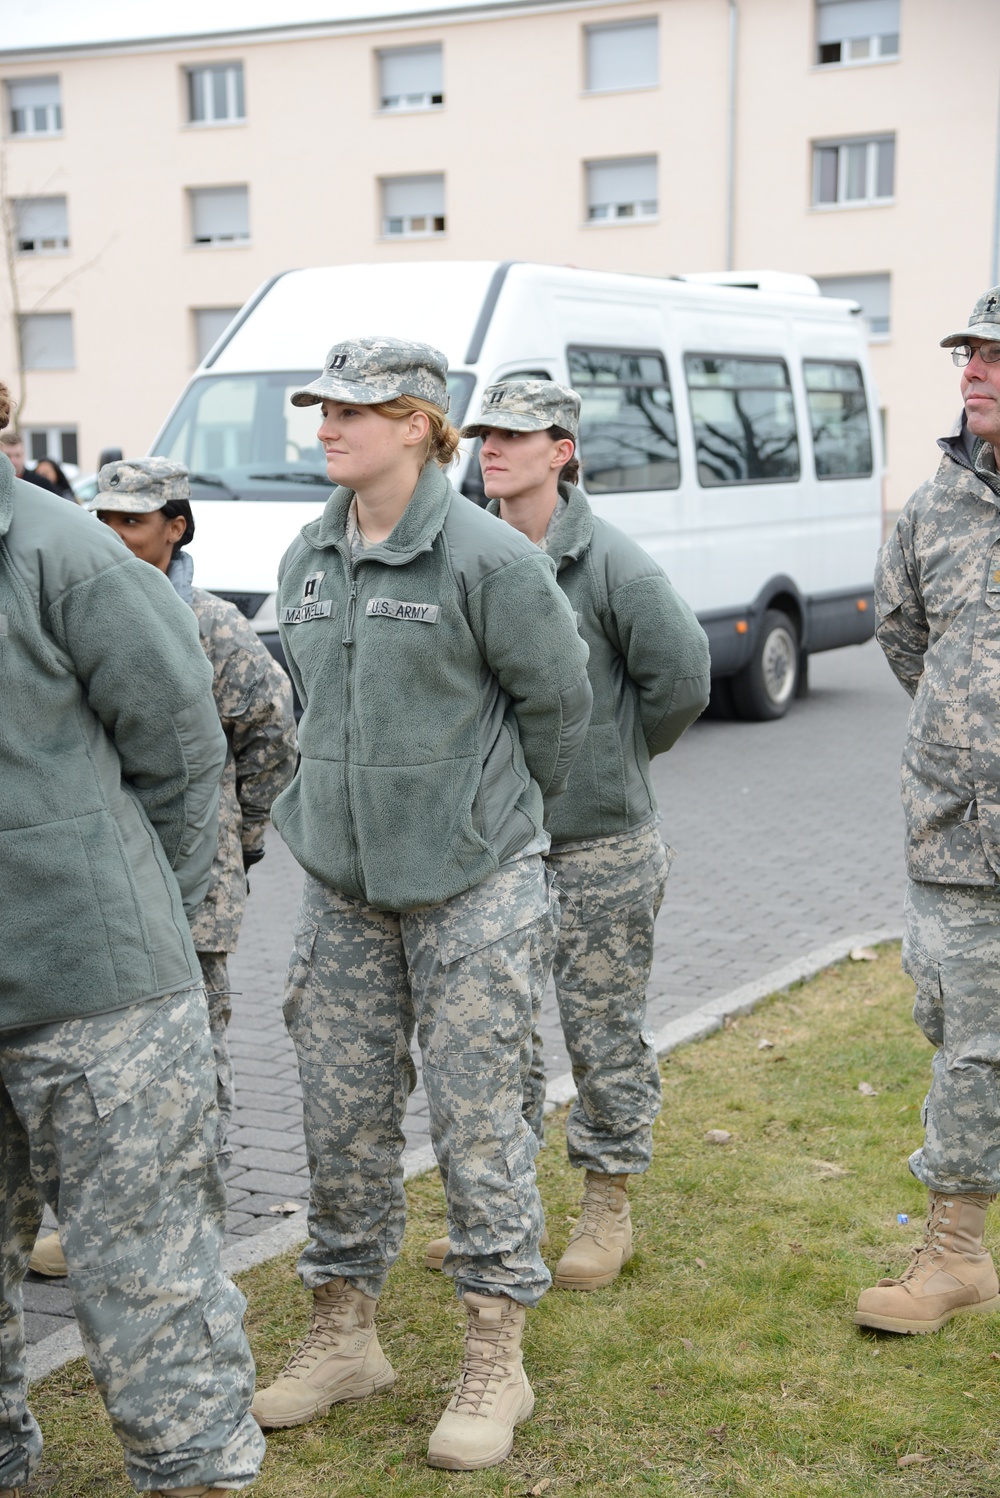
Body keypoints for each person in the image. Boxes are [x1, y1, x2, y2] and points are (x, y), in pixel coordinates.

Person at [250, 337, 593, 1470]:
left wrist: (490, 820)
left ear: (417, 424)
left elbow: (558, 702)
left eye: (354, 409)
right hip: (344, 891)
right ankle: (345, 1333)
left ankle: (497, 1351)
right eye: (322, 408)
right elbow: (297, 697)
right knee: (338, 1116)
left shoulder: (487, 561)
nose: (328, 426)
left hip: (471, 889)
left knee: (479, 1120)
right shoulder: (309, 553)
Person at [0, 385, 265, 1495]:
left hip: (99, 998)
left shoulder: (70, 556)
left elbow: (182, 748)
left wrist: (107, 894)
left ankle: (194, 1473)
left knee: (144, 1281)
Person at [423, 380, 710, 1291]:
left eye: (515, 435)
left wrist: (614, 762)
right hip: (502, 844)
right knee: (498, 1035)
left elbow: (683, 680)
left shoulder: (613, 563)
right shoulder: (468, 551)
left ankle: (607, 1204)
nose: (491, 450)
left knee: (601, 1026)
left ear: (564, 450)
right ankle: (507, 1212)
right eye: (484, 435)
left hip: (600, 844)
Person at [858, 285, 1000, 1336]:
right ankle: (955, 1251)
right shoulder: (933, 506)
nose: (972, 372)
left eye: (995, 356)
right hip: (958, 833)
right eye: (968, 355)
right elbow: (904, 639)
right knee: (961, 1036)